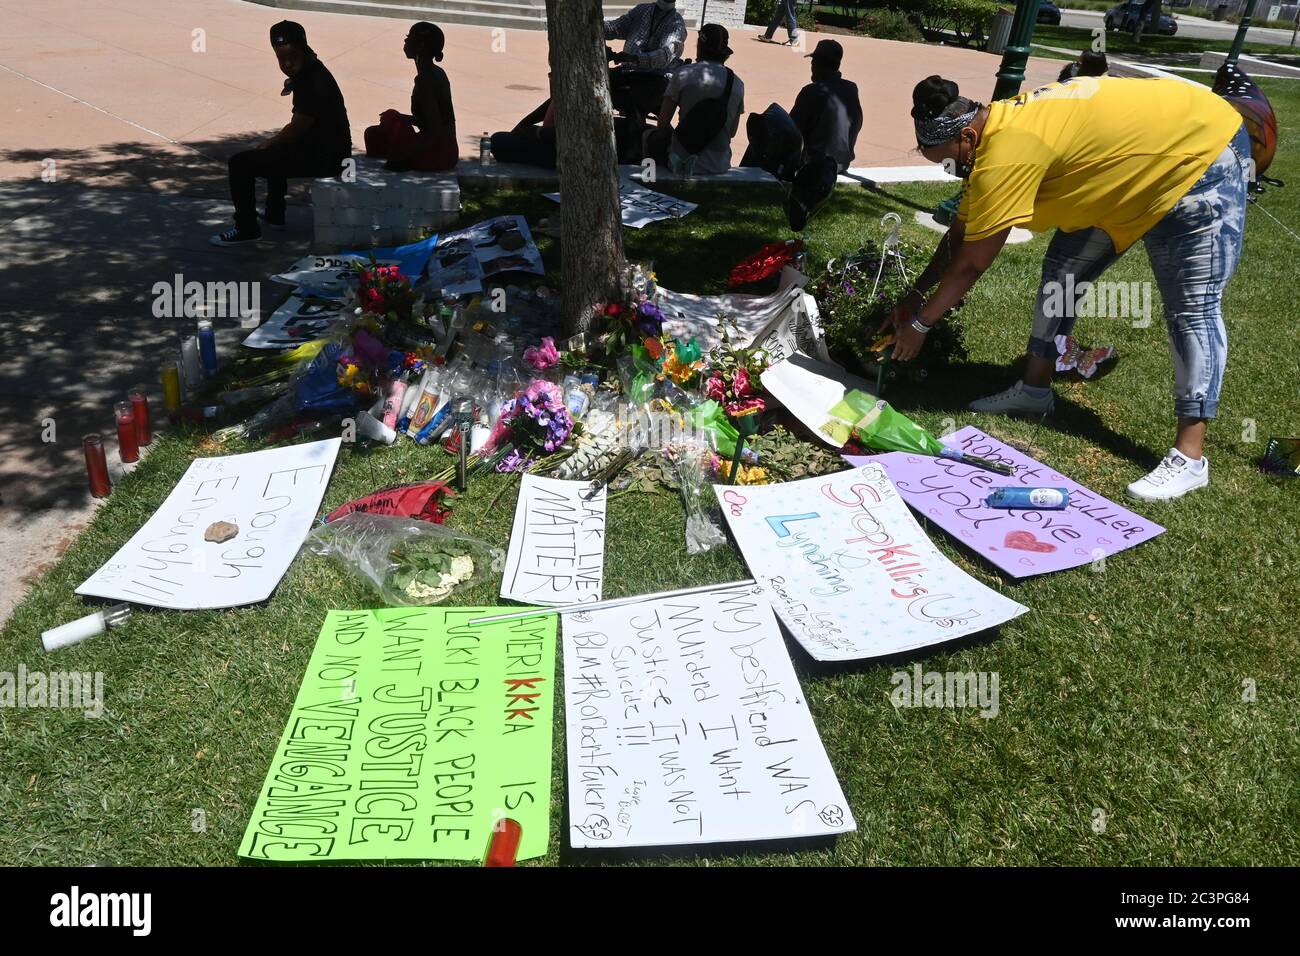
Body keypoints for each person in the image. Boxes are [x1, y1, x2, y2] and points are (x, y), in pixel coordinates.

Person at [886, 74, 1249, 501]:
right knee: (1062, 274)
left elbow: (971, 264)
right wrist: (915, 294)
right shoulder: (993, 133)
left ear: (968, 136)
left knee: (1192, 308)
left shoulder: (1006, 154)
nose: (953, 173)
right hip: (1122, 175)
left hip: (1199, 156)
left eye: (949, 162)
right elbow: (960, 235)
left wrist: (922, 324)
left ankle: (1190, 457)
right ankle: (1034, 392)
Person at [212, 21, 351, 246]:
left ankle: (247, 228)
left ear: (304, 48)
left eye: (293, 56)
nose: (287, 63)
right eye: (280, 58)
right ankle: (275, 214)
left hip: (329, 159)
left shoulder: (314, 80)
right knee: (278, 149)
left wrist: (270, 142)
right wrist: (276, 143)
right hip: (325, 151)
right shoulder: (311, 69)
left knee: (240, 164)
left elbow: (298, 126)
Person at [645, 24, 744, 177]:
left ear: (699, 47)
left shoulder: (684, 74)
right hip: (720, 164)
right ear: (725, 53)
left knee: (648, 136)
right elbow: (732, 132)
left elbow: (662, 124)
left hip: (681, 161)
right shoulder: (737, 83)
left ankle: (649, 180)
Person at [784, 39, 862, 229]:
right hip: (842, 161)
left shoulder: (813, 91)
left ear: (817, 63)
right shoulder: (851, 88)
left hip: (817, 165)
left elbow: (792, 131)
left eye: (813, 63)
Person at [363, 22, 457, 172]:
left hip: (438, 153)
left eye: (409, 37)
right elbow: (427, 119)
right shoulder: (435, 72)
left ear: (420, 46)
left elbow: (434, 130)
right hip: (443, 149)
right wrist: (398, 117)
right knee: (382, 126)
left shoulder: (426, 80)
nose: (405, 41)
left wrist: (406, 154)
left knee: (383, 130)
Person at [605, 0, 688, 158]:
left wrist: (635, 58)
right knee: (593, 85)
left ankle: (633, 156)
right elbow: (615, 28)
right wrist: (591, 25)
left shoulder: (677, 23)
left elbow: (664, 56)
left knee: (636, 101)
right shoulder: (642, 10)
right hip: (629, 71)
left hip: (657, 77)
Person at [489, 77, 557, 170]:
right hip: (546, 137)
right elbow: (538, 113)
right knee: (500, 140)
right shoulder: (563, 90)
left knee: (497, 141)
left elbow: (554, 133)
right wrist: (518, 130)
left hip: (554, 146)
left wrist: (537, 132)